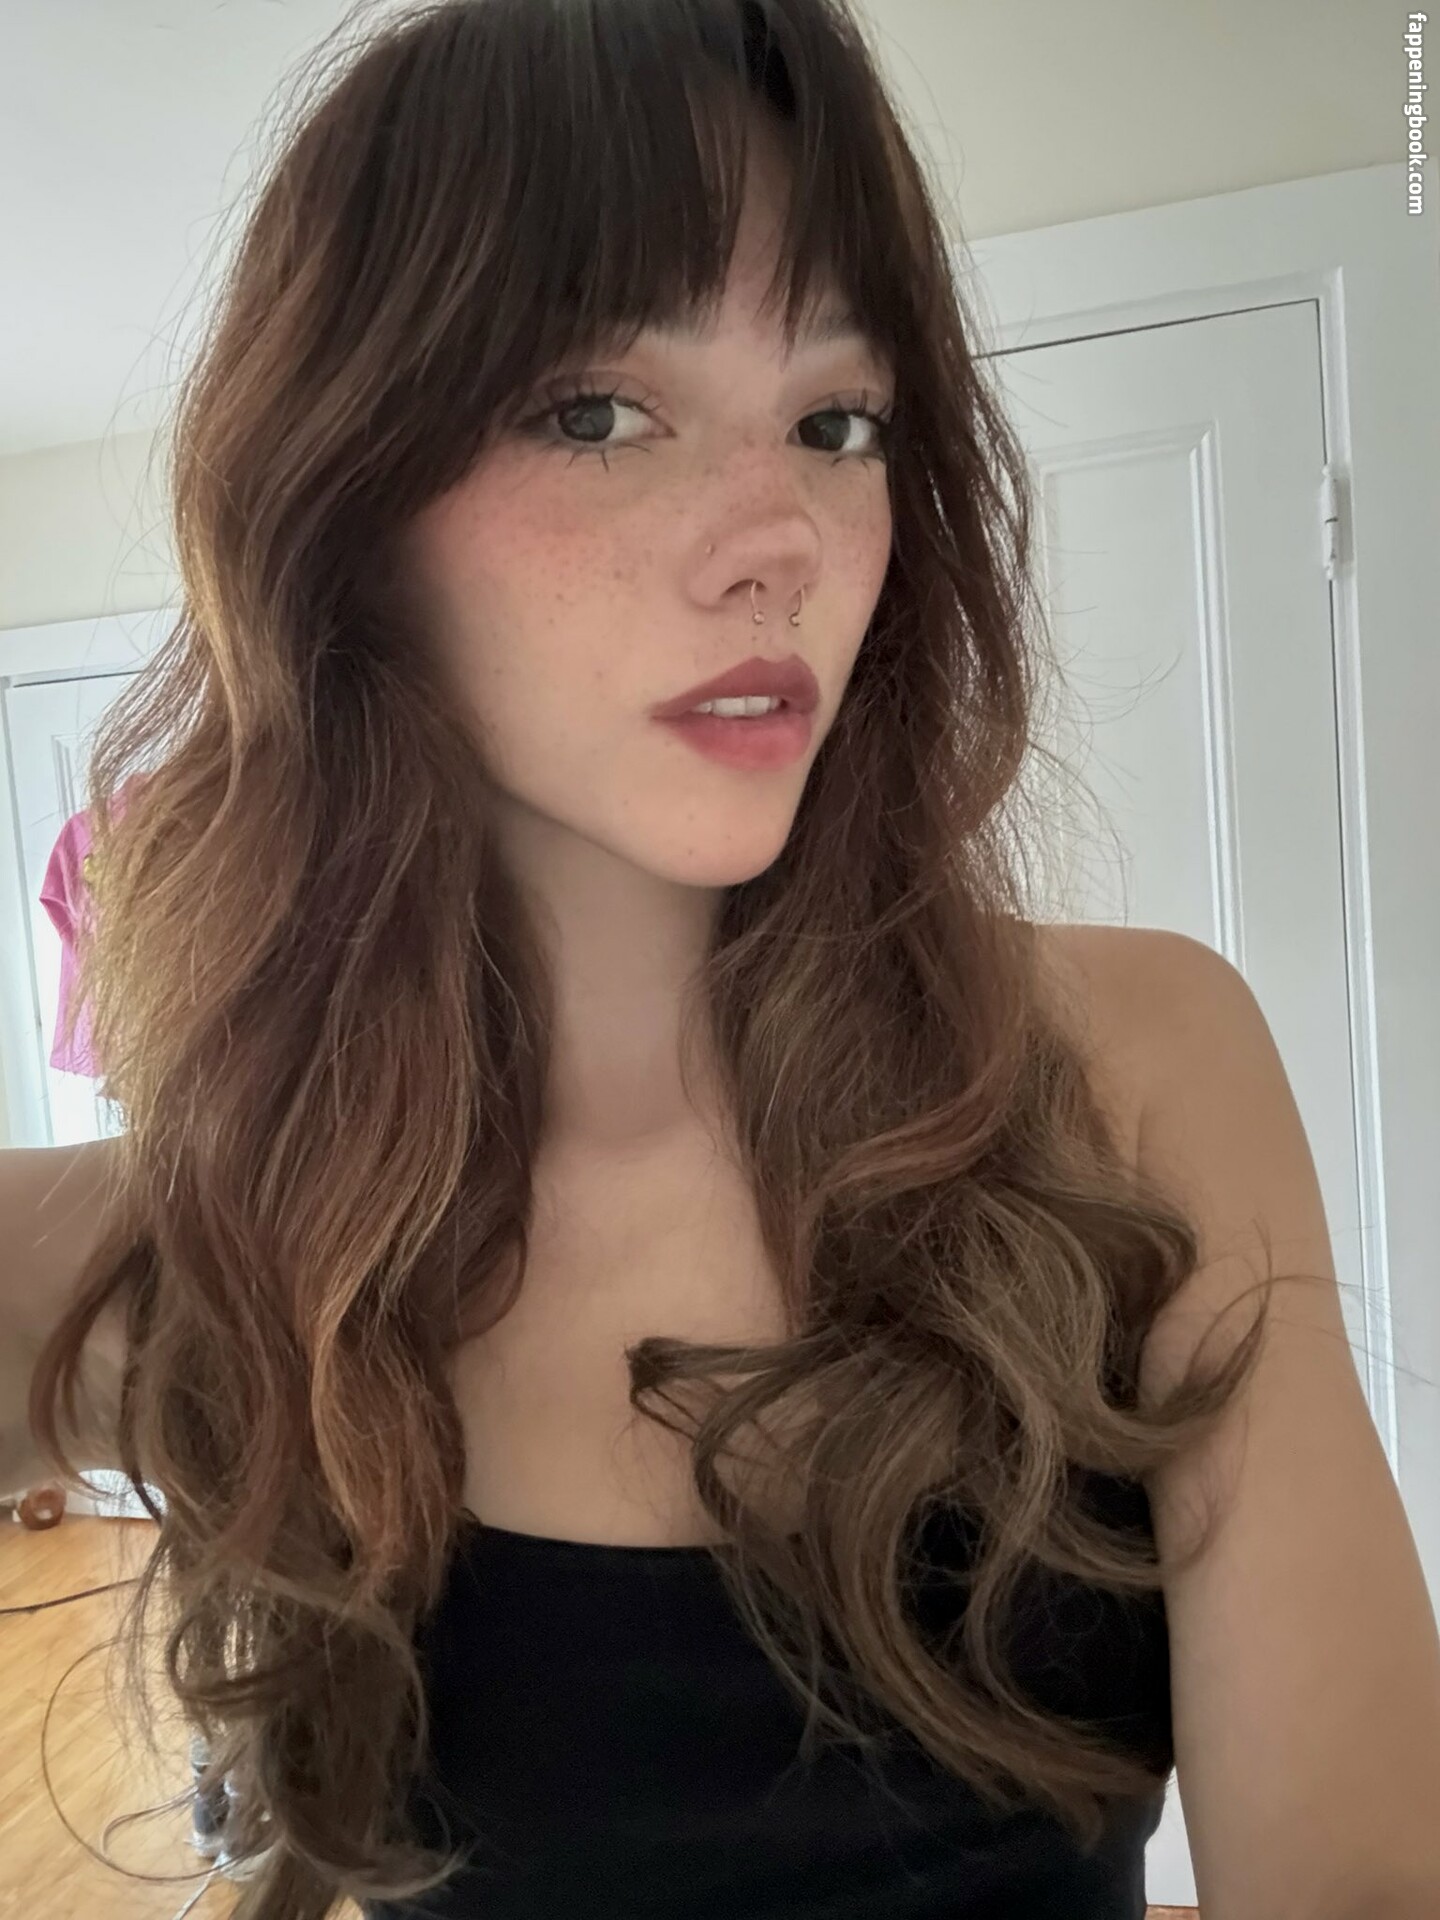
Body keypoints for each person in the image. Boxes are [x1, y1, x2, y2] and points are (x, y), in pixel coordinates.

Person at [19, 2, 1399, 1916]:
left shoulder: (1137, 1068)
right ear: (345, 505)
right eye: (598, 413)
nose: (783, 542)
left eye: (838, 423)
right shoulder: (226, 1236)